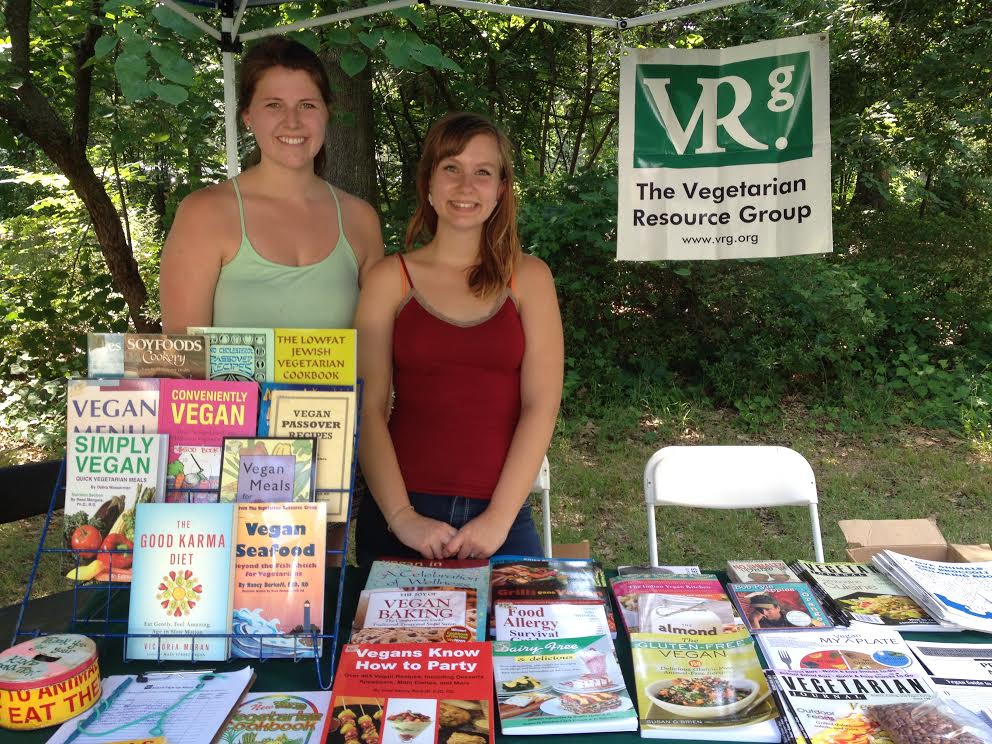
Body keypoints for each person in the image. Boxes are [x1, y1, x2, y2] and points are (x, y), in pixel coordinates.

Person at [355, 112, 564, 563]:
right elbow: (368, 406)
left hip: (501, 518)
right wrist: (401, 515)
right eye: (451, 168)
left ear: (501, 190)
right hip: (401, 516)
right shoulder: (389, 278)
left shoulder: (530, 278)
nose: (466, 186)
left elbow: (541, 406)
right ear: (429, 181)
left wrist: (499, 519)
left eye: (482, 172)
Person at [159, 35, 383, 333]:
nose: (292, 121)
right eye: (274, 105)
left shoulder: (360, 219)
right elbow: (183, 362)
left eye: (307, 105)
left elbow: (375, 353)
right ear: (248, 116)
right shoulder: (204, 213)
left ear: (327, 112)